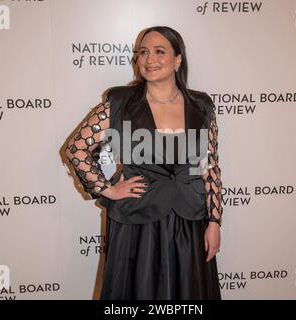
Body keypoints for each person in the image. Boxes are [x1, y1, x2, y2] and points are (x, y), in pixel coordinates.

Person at [65, 26, 223, 300]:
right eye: (143, 52)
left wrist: (215, 221)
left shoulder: (201, 105)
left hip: (190, 221)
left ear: (177, 59)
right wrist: (108, 189)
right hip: (138, 223)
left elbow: (210, 167)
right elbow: (77, 148)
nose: (149, 59)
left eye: (159, 51)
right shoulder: (120, 103)